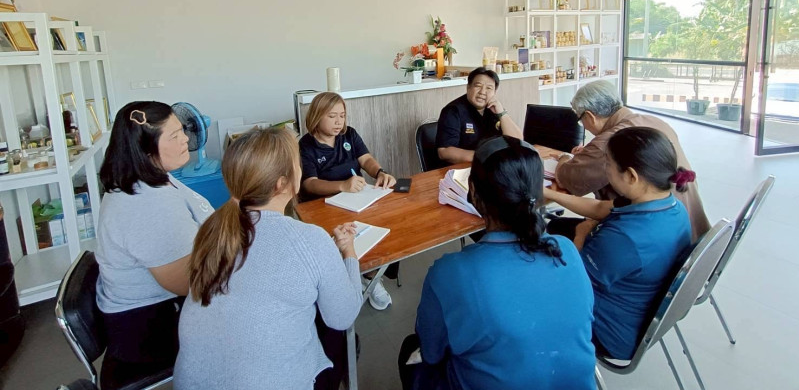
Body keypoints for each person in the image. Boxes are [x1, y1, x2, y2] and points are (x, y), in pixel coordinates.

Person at [399, 136, 596, 390]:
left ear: (473, 193)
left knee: (410, 350)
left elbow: (432, 352)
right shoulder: (566, 249)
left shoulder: (450, 272)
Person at [174, 127, 363, 390]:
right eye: (298, 163)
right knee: (339, 340)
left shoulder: (211, 233)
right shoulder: (309, 239)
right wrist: (349, 252)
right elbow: (343, 317)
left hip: (195, 382)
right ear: (282, 183)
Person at [544, 126, 693, 360]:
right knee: (558, 229)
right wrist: (549, 194)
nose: (606, 170)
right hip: (637, 306)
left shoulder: (626, 239)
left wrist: (582, 234)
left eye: (608, 165)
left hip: (610, 332)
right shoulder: (670, 205)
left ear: (631, 176)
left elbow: (572, 281)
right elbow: (599, 208)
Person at [95, 101, 213, 386]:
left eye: (182, 130)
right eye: (174, 135)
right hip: (152, 328)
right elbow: (190, 283)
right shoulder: (146, 205)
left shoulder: (154, 177)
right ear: (145, 149)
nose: (185, 139)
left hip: (157, 310)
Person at [553, 80, 710, 241]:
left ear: (590, 116)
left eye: (581, 120)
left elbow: (569, 179)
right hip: (690, 230)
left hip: (652, 236)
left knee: (555, 229)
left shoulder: (611, 140)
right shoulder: (653, 121)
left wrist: (564, 157)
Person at [299, 91, 396, 310]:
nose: (339, 122)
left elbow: (366, 159)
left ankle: (370, 276)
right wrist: (342, 185)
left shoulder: (349, 134)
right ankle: (351, 277)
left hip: (357, 200)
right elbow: (309, 184)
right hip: (322, 206)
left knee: (383, 227)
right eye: (332, 116)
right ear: (316, 117)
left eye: (342, 116)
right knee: (343, 241)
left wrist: (379, 172)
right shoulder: (306, 145)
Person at [436, 67, 523, 164]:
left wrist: (502, 114)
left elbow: (518, 142)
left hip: (494, 166)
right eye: (478, 86)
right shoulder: (453, 111)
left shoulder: (493, 108)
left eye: (489, 88)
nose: (482, 92)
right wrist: (484, 156)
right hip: (464, 168)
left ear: (494, 92)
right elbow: (444, 152)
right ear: (468, 87)